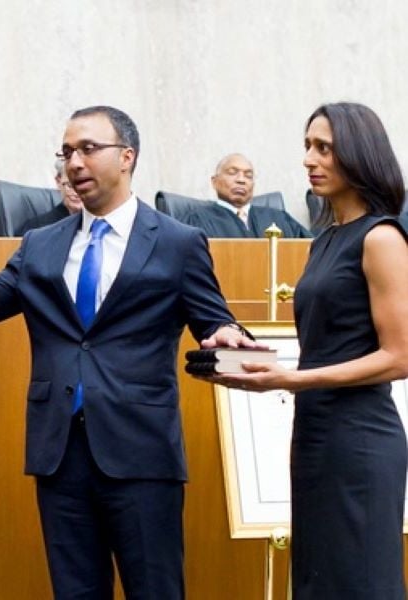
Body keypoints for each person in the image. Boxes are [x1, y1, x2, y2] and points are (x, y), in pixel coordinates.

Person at [0, 105, 260, 599]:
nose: (74, 162)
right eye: (66, 153)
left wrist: (228, 334)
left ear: (127, 156)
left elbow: (213, 320)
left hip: (142, 453)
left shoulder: (177, 242)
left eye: (87, 149)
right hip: (60, 454)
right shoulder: (40, 243)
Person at [208, 102, 408, 599]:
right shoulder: (323, 241)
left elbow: (400, 356)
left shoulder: (381, 237)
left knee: (359, 583)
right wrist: (254, 358)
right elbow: (329, 342)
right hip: (316, 436)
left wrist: (292, 379)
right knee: (318, 582)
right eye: (307, 147)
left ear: (359, 155)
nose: (309, 159)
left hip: (361, 440)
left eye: (324, 148)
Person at [183, 153, 312, 238]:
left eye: (248, 175)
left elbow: (312, 248)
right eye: (232, 173)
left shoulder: (278, 218)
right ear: (214, 182)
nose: (241, 180)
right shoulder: (196, 220)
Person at [18, 159, 83, 234]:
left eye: (82, 185)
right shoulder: (36, 228)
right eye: (70, 185)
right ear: (58, 181)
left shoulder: (97, 223)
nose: (76, 193)